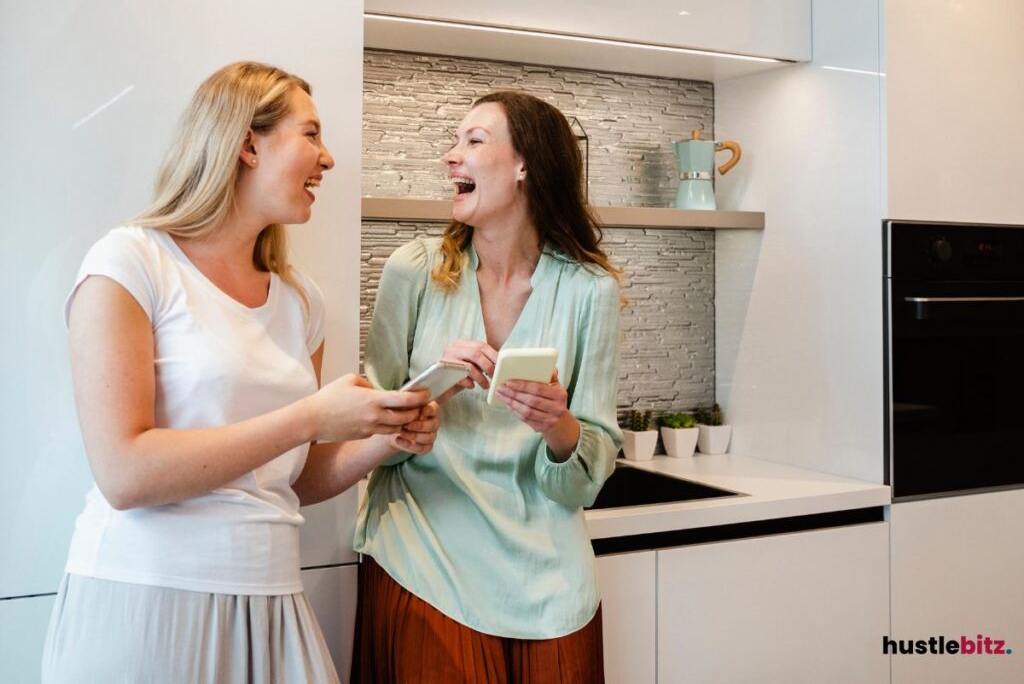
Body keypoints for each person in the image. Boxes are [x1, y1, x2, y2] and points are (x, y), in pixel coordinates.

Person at [41, 62, 440, 684]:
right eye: (311, 134)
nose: (328, 158)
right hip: (147, 595)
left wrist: (382, 441)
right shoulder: (131, 262)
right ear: (248, 143)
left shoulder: (300, 301)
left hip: (272, 596)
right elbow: (123, 472)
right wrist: (311, 415)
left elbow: (294, 476)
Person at [352, 91, 623, 683]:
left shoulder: (588, 289)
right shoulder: (414, 271)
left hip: (551, 581)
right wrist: (433, 387)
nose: (453, 156)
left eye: (474, 141)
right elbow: (366, 423)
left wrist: (560, 425)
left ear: (526, 166)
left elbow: (590, 468)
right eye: (455, 142)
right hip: (424, 556)